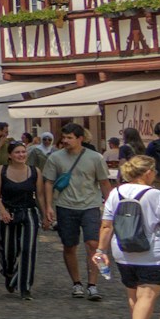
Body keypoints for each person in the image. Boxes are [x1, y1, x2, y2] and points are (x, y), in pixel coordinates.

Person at [93, 155, 160, 319]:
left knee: (134, 294)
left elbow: (106, 225)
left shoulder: (115, 193)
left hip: (122, 251)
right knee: (148, 294)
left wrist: (100, 251)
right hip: (151, 252)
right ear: (148, 172)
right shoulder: (154, 195)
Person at [44, 122, 112, 301]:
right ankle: (77, 283)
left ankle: (92, 285)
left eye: (69, 138)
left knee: (92, 244)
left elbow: (104, 182)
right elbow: (49, 182)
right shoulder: (55, 158)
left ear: (80, 139)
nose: (65, 141)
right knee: (69, 245)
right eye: (64, 137)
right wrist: (48, 206)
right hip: (65, 206)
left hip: (90, 206)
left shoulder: (95, 158)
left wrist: (112, 207)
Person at [0, 140, 48, 299]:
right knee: (9, 251)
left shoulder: (34, 171)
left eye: (23, 152)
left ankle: (25, 288)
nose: (21, 155)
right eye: (17, 152)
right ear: (10, 155)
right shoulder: (1, 170)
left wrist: (44, 215)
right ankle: (9, 273)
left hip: (28, 212)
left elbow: (40, 196)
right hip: (7, 213)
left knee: (27, 250)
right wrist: (2, 211)